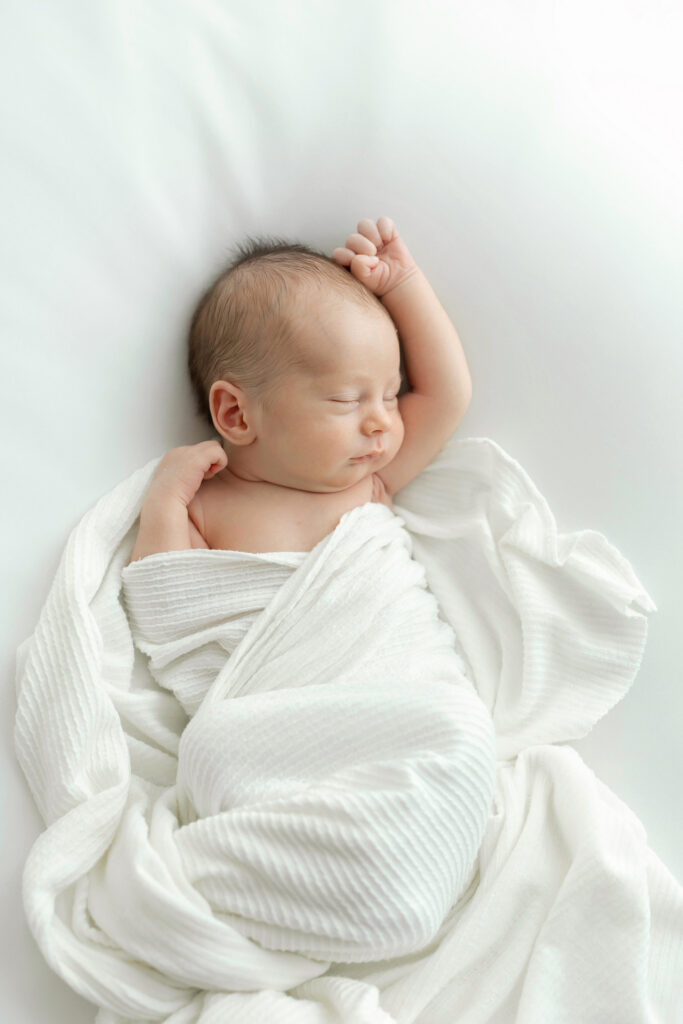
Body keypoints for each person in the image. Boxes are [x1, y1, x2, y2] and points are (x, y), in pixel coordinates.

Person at [128, 216, 473, 561]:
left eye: (390, 397)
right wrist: (166, 500)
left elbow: (446, 395)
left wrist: (402, 284)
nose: (380, 421)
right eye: (348, 399)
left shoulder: (370, 481)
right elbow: (164, 598)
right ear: (237, 414)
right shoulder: (202, 509)